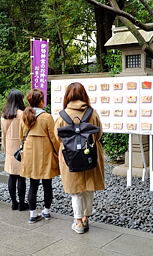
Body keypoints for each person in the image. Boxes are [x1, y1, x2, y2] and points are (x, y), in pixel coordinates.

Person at [54, 82, 105, 234]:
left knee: (76, 190)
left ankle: (78, 222)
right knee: (89, 188)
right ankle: (85, 218)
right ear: (84, 95)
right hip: (91, 155)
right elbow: (99, 133)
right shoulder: (92, 113)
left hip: (70, 156)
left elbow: (58, 137)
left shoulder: (62, 115)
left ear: (68, 96)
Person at [20, 89, 60, 223]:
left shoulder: (24, 116)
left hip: (30, 153)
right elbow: (54, 138)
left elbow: (22, 136)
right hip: (45, 153)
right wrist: (58, 152)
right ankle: (47, 211)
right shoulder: (47, 117)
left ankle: (32, 214)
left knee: (33, 184)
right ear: (41, 101)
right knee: (47, 183)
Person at [1, 90, 29, 211]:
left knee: (12, 176)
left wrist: (5, 149)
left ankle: (14, 202)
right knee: (21, 177)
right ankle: (22, 203)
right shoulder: (22, 115)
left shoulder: (4, 115)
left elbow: (3, 133)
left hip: (9, 147)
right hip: (20, 148)